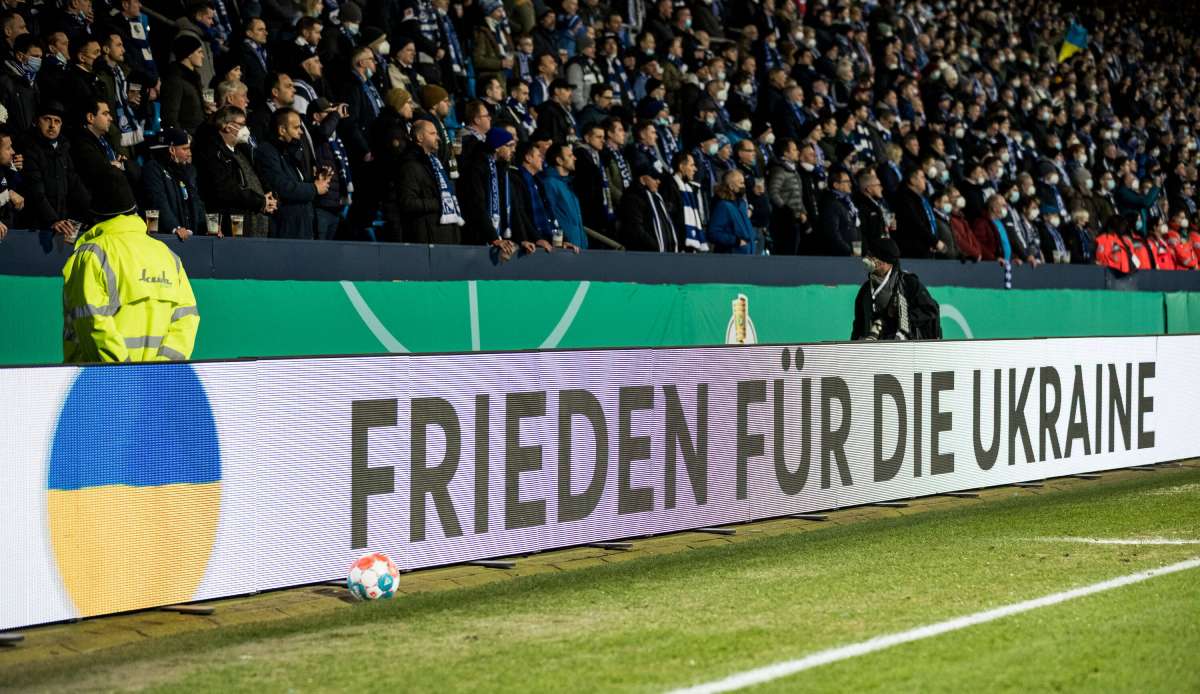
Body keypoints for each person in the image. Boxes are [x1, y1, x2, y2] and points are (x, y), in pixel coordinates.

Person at [61, 172, 199, 363]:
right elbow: (187, 318)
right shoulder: (167, 255)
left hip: (99, 384)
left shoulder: (91, 254)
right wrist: (162, 370)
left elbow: (93, 322)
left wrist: (126, 376)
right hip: (157, 383)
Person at [194, 105, 275, 236]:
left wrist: (267, 197)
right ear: (227, 126)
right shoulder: (212, 153)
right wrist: (259, 201)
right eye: (241, 124)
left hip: (251, 221)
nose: (246, 129)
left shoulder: (242, 151)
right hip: (228, 224)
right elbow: (226, 189)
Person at [255, 107, 330, 239]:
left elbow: (296, 183)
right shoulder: (267, 151)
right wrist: (314, 188)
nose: (301, 132)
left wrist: (316, 181)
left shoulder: (290, 152)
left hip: (302, 226)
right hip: (286, 229)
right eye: (296, 128)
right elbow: (281, 187)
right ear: (282, 130)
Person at [19, 100, 90, 235]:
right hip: (36, 227)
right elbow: (36, 191)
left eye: (57, 121)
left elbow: (75, 184)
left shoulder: (63, 149)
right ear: (36, 121)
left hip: (59, 223)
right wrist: (53, 220)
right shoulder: (29, 148)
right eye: (47, 119)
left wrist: (93, 212)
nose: (52, 125)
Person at [851, 238, 941, 342]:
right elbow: (858, 324)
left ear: (885, 262)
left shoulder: (908, 283)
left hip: (902, 347)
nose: (867, 258)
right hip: (872, 349)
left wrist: (902, 317)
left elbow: (931, 310)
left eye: (872, 255)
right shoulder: (865, 290)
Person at [390, 118, 462, 244]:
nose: (438, 138)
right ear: (420, 137)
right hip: (428, 240)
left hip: (445, 237)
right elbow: (407, 202)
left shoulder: (436, 163)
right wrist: (439, 203)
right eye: (433, 134)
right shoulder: (410, 166)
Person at [140, 127, 205, 240]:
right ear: (172, 150)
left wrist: (208, 226)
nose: (189, 153)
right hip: (166, 238)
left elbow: (195, 201)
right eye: (185, 149)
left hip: (188, 237)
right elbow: (158, 200)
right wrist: (174, 227)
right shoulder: (153, 169)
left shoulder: (185, 170)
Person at [617, 161, 678, 252]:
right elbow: (636, 229)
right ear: (643, 179)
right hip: (645, 255)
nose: (658, 181)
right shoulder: (632, 197)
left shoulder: (656, 197)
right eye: (654, 178)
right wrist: (656, 246)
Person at [542, 142, 585, 250]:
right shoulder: (549, 183)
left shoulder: (567, 184)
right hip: (564, 250)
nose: (575, 158)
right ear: (559, 160)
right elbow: (549, 215)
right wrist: (559, 243)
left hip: (577, 249)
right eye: (570, 156)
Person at [707, 168, 755, 254]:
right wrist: (736, 241)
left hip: (747, 257)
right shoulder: (723, 205)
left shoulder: (741, 204)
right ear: (731, 186)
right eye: (741, 183)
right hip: (731, 259)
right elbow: (713, 233)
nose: (744, 186)